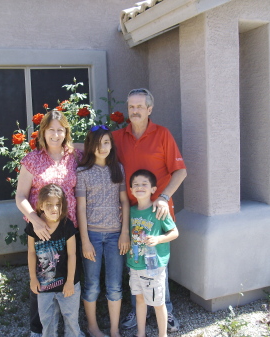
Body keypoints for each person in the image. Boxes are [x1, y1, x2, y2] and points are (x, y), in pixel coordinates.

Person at [112, 88, 187, 332]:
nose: (134, 111)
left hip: (158, 212)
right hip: (132, 214)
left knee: (157, 264)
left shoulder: (162, 134)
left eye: (140, 107)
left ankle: (168, 312)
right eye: (131, 107)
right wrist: (64, 144)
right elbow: (93, 146)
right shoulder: (119, 136)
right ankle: (138, 311)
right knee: (136, 262)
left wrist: (164, 197)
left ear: (149, 110)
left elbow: (180, 171)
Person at [16, 109, 82, 337]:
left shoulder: (74, 156)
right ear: (43, 132)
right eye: (51, 129)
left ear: (66, 132)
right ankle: (39, 329)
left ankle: (71, 327)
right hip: (43, 231)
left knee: (69, 275)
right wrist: (34, 220)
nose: (55, 134)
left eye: (60, 130)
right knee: (42, 278)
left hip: (69, 229)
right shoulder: (32, 160)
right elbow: (20, 196)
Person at [76, 125, 130, 337]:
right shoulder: (83, 172)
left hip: (116, 236)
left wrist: (125, 232)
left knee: (115, 285)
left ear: (111, 144)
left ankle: (114, 330)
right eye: (98, 143)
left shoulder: (118, 168)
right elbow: (80, 207)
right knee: (91, 286)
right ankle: (93, 327)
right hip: (93, 236)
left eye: (106, 142)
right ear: (90, 146)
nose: (102, 147)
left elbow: (124, 202)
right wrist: (85, 241)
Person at [26, 183, 84, 337]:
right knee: (48, 321)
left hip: (68, 284)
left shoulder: (67, 225)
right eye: (49, 204)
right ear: (40, 205)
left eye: (58, 204)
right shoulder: (34, 227)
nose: (54, 208)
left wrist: (70, 281)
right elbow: (31, 252)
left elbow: (72, 255)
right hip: (44, 285)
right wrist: (33, 278)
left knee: (71, 320)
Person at [127, 169, 179, 337]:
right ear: (131, 190)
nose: (139, 187)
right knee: (140, 300)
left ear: (153, 189)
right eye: (135, 184)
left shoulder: (159, 210)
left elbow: (174, 233)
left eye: (144, 184)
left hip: (153, 267)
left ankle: (162, 335)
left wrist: (158, 239)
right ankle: (140, 333)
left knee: (158, 303)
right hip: (134, 265)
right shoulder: (131, 211)